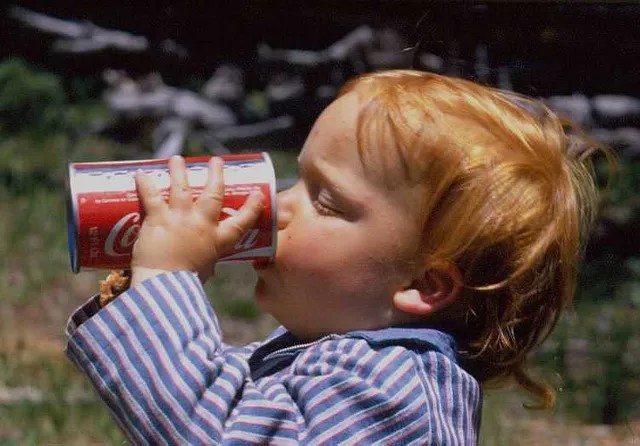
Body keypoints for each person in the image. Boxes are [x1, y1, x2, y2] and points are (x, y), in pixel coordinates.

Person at [65, 69, 609, 445]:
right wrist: (143, 288)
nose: (277, 207)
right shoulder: (342, 354)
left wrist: (168, 277)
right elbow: (218, 393)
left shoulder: (392, 395)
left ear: (423, 284)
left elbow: (215, 432)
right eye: (298, 180)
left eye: (325, 200)